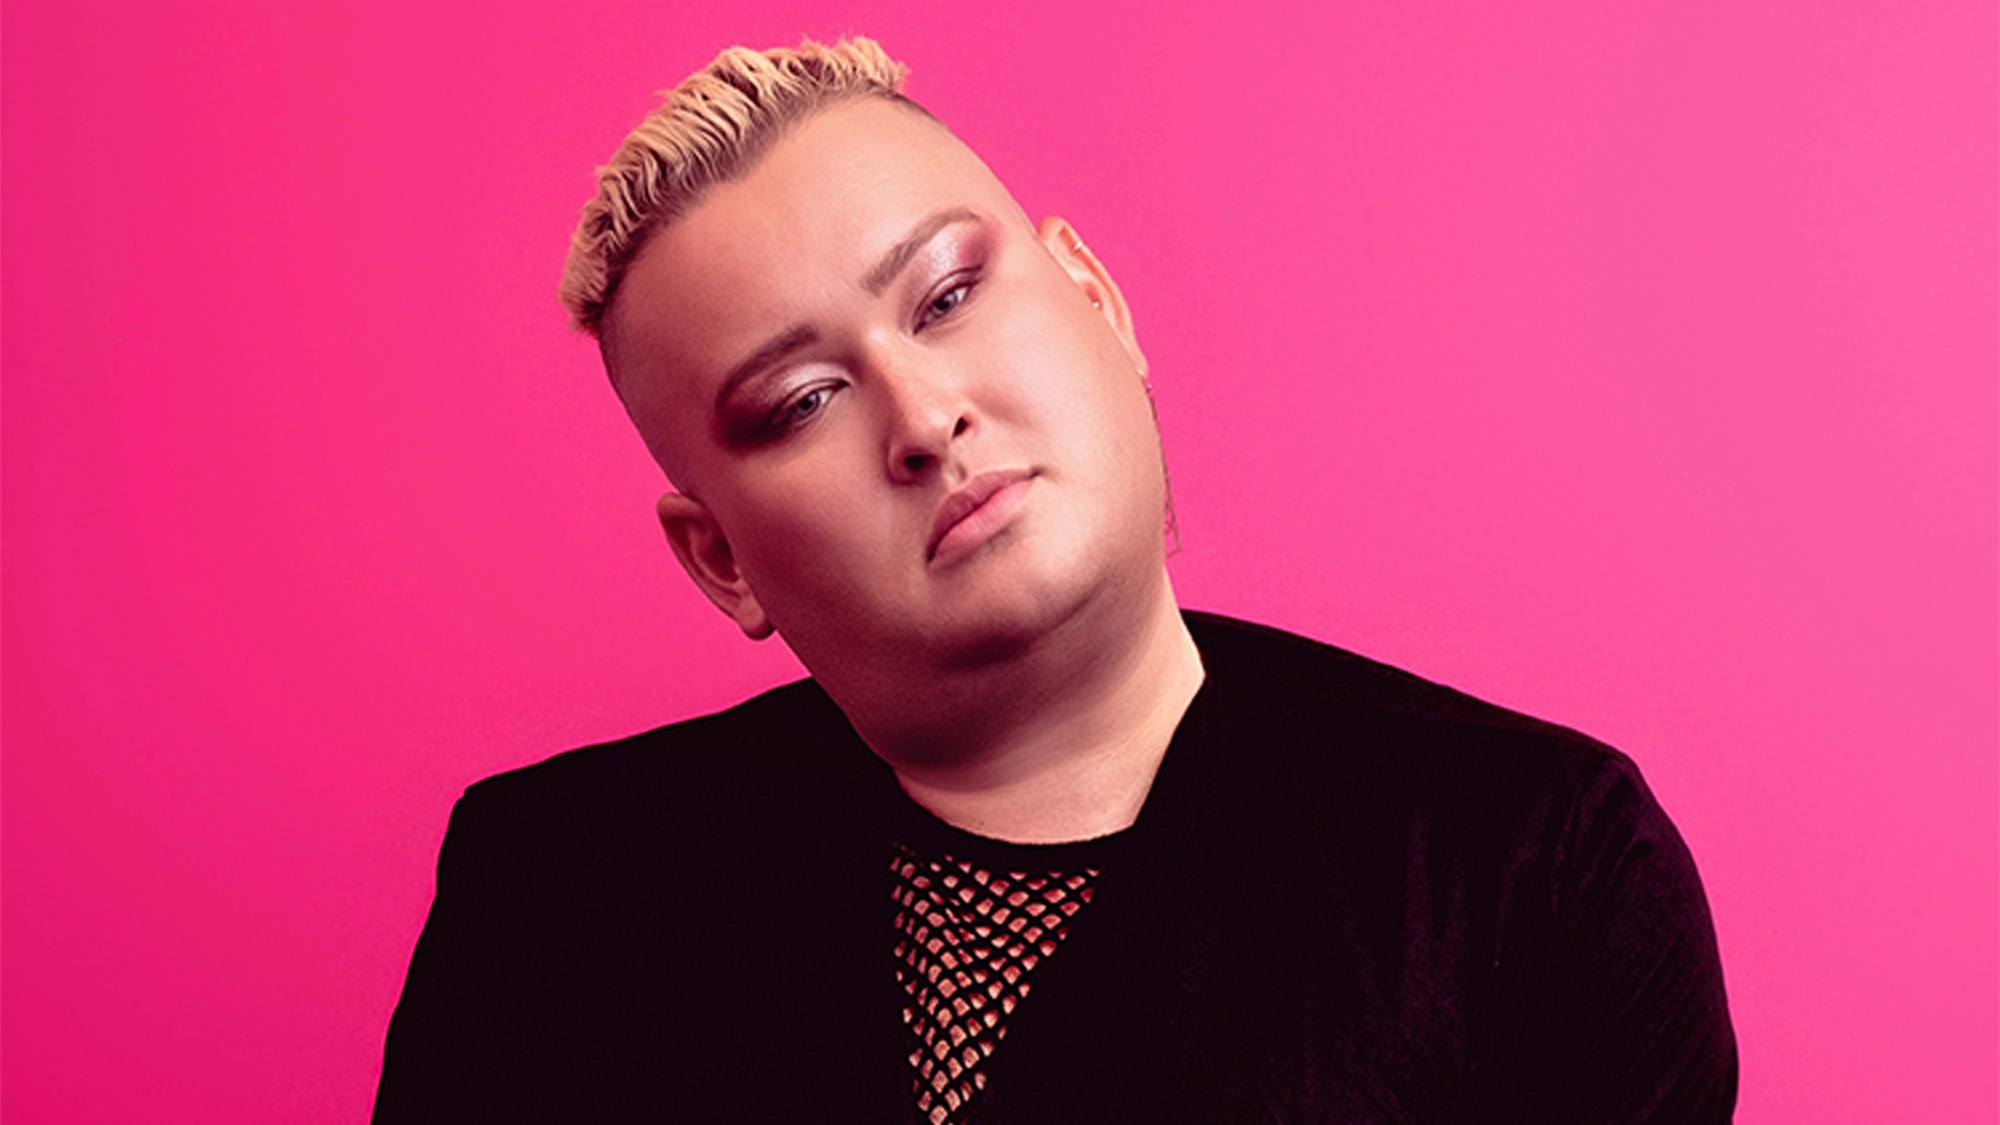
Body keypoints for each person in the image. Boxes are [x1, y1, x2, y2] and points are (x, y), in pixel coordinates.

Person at [373, 37, 1736, 1124]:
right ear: (722, 560)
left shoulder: (1531, 868)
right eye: (798, 402)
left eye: (949, 296)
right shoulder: (553, 900)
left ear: (1097, 299)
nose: (922, 419)